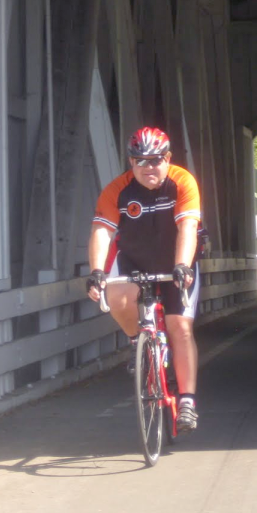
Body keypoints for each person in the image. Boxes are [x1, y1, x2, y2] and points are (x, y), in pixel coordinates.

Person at [85, 126, 202, 434]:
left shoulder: (182, 182)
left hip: (175, 261)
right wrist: (97, 271)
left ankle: (187, 401)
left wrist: (182, 265)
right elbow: (102, 231)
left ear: (168, 159)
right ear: (131, 162)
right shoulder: (118, 190)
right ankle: (140, 342)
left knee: (180, 326)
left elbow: (188, 227)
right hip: (135, 261)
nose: (150, 167)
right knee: (117, 297)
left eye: (156, 160)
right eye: (141, 161)